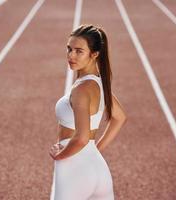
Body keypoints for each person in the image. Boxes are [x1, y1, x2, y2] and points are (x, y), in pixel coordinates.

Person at [49, 24, 127, 200]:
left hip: (75, 170)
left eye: (79, 51)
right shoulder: (99, 84)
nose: (71, 55)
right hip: (98, 168)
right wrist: (95, 149)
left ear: (94, 54)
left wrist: (60, 156)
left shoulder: (82, 89)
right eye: (69, 49)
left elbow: (82, 137)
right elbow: (120, 117)